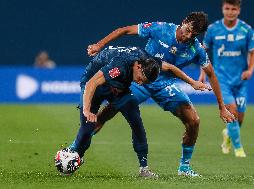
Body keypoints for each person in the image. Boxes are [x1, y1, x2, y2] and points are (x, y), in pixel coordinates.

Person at [87, 12, 235, 176]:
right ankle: (75, 148)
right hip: (141, 80)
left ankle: (184, 168)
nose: (189, 36)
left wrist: (222, 107)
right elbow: (125, 30)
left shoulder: (196, 49)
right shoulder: (161, 28)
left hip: (166, 85)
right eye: (188, 30)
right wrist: (99, 45)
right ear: (184, 21)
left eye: (194, 34)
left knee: (194, 120)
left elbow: (212, 74)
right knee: (107, 113)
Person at [69, 46, 210, 178]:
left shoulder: (149, 61)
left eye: (145, 82)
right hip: (94, 85)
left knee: (136, 120)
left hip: (119, 87)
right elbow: (92, 83)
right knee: (88, 127)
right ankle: (74, 154)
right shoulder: (119, 65)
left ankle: (144, 169)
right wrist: (87, 110)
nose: (141, 83)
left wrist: (192, 83)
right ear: (138, 66)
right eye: (141, 79)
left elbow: (170, 67)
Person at [201, 0, 254, 157]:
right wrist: (203, 72)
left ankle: (228, 135)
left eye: (234, 9)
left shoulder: (246, 29)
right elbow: (202, 52)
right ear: (222, 9)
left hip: (241, 81)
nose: (230, 12)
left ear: (239, 10)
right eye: (227, 8)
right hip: (221, 80)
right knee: (231, 110)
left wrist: (251, 70)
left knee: (239, 118)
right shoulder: (213, 29)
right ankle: (239, 149)